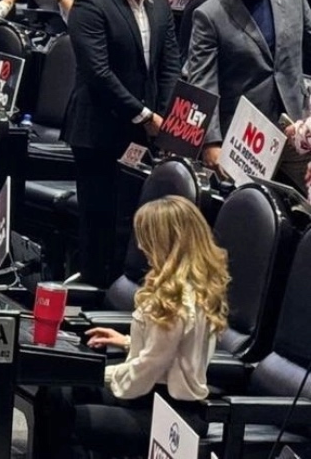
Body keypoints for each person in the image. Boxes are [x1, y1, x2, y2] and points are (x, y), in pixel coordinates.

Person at [36, 196, 228, 458]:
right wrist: (127, 342)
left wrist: (96, 374)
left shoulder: (175, 300)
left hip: (166, 412)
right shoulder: (196, 286)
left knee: (67, 419)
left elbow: (147, 369)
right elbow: (172, 351)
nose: (140, 245)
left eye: (146, 238)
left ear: (166, 242)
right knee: (56, 392)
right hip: (154, 396)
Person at [65, 0, 179, 287]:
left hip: (143, 132)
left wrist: (163, 114)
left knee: (131, 220)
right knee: (98, 221)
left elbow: (169, 65)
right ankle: (94, 291)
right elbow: (98, 73)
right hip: (99, 130)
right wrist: (144, 115)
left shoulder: (159, 2)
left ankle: (123, 293)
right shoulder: (91, 4)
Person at [185, 0, 311, 192]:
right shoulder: (209, 15)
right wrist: (211, 142)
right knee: (248, 209)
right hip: (246, 137)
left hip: (296, 128)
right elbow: (203, 83)